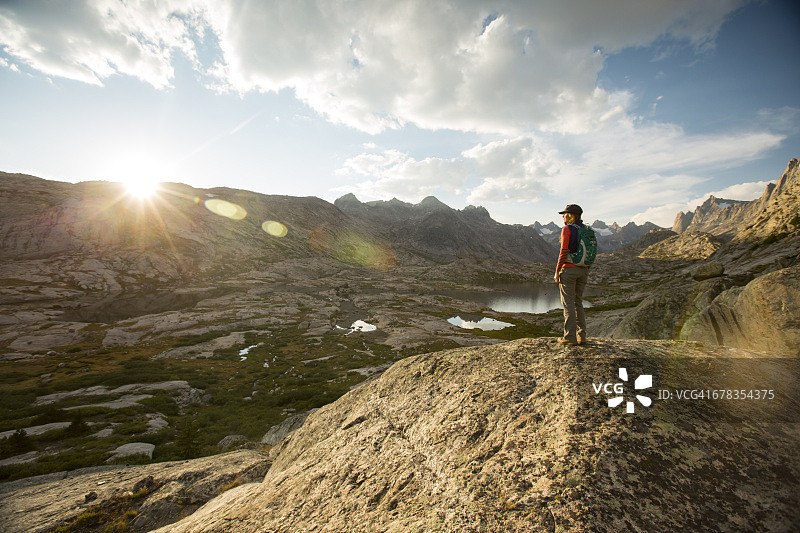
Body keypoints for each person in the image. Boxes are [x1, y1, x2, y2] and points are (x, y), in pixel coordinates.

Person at [554, 204, 589, 346]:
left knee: (568, 304)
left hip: (569, 270)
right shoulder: (587, 230)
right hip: (583, 270)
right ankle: (582, 335)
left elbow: (564, 251)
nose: (563, 216)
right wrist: (586, 268)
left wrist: (557, 271)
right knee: (578, 302)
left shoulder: (567, 229)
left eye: (565, 214)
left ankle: (569, 337)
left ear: (571, 215)